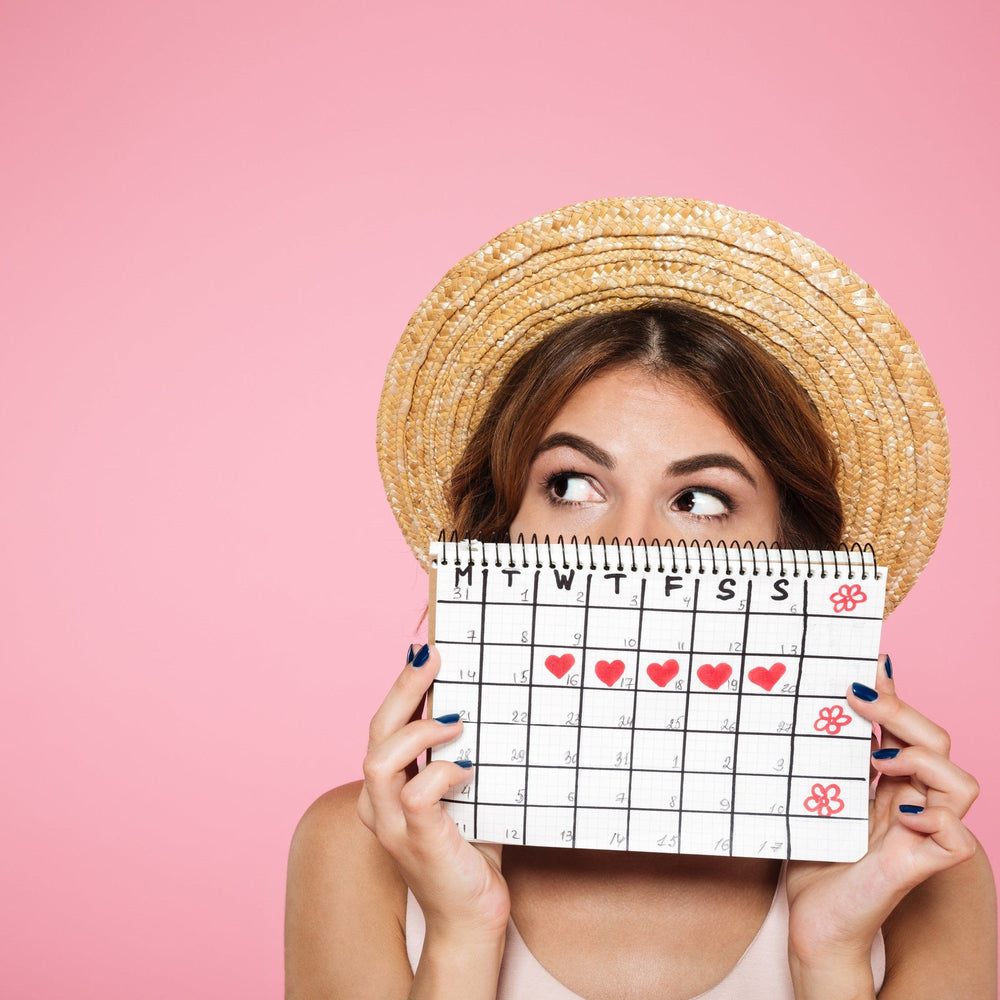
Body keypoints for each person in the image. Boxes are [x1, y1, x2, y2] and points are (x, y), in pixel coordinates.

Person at [284, 198, 997, 999]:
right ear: (501, 531)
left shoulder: (921, 870)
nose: (631, 544)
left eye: (699, 500)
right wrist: (461, 930)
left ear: (796, 561)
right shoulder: (355, 847)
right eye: (572, 484)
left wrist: (828, 955)